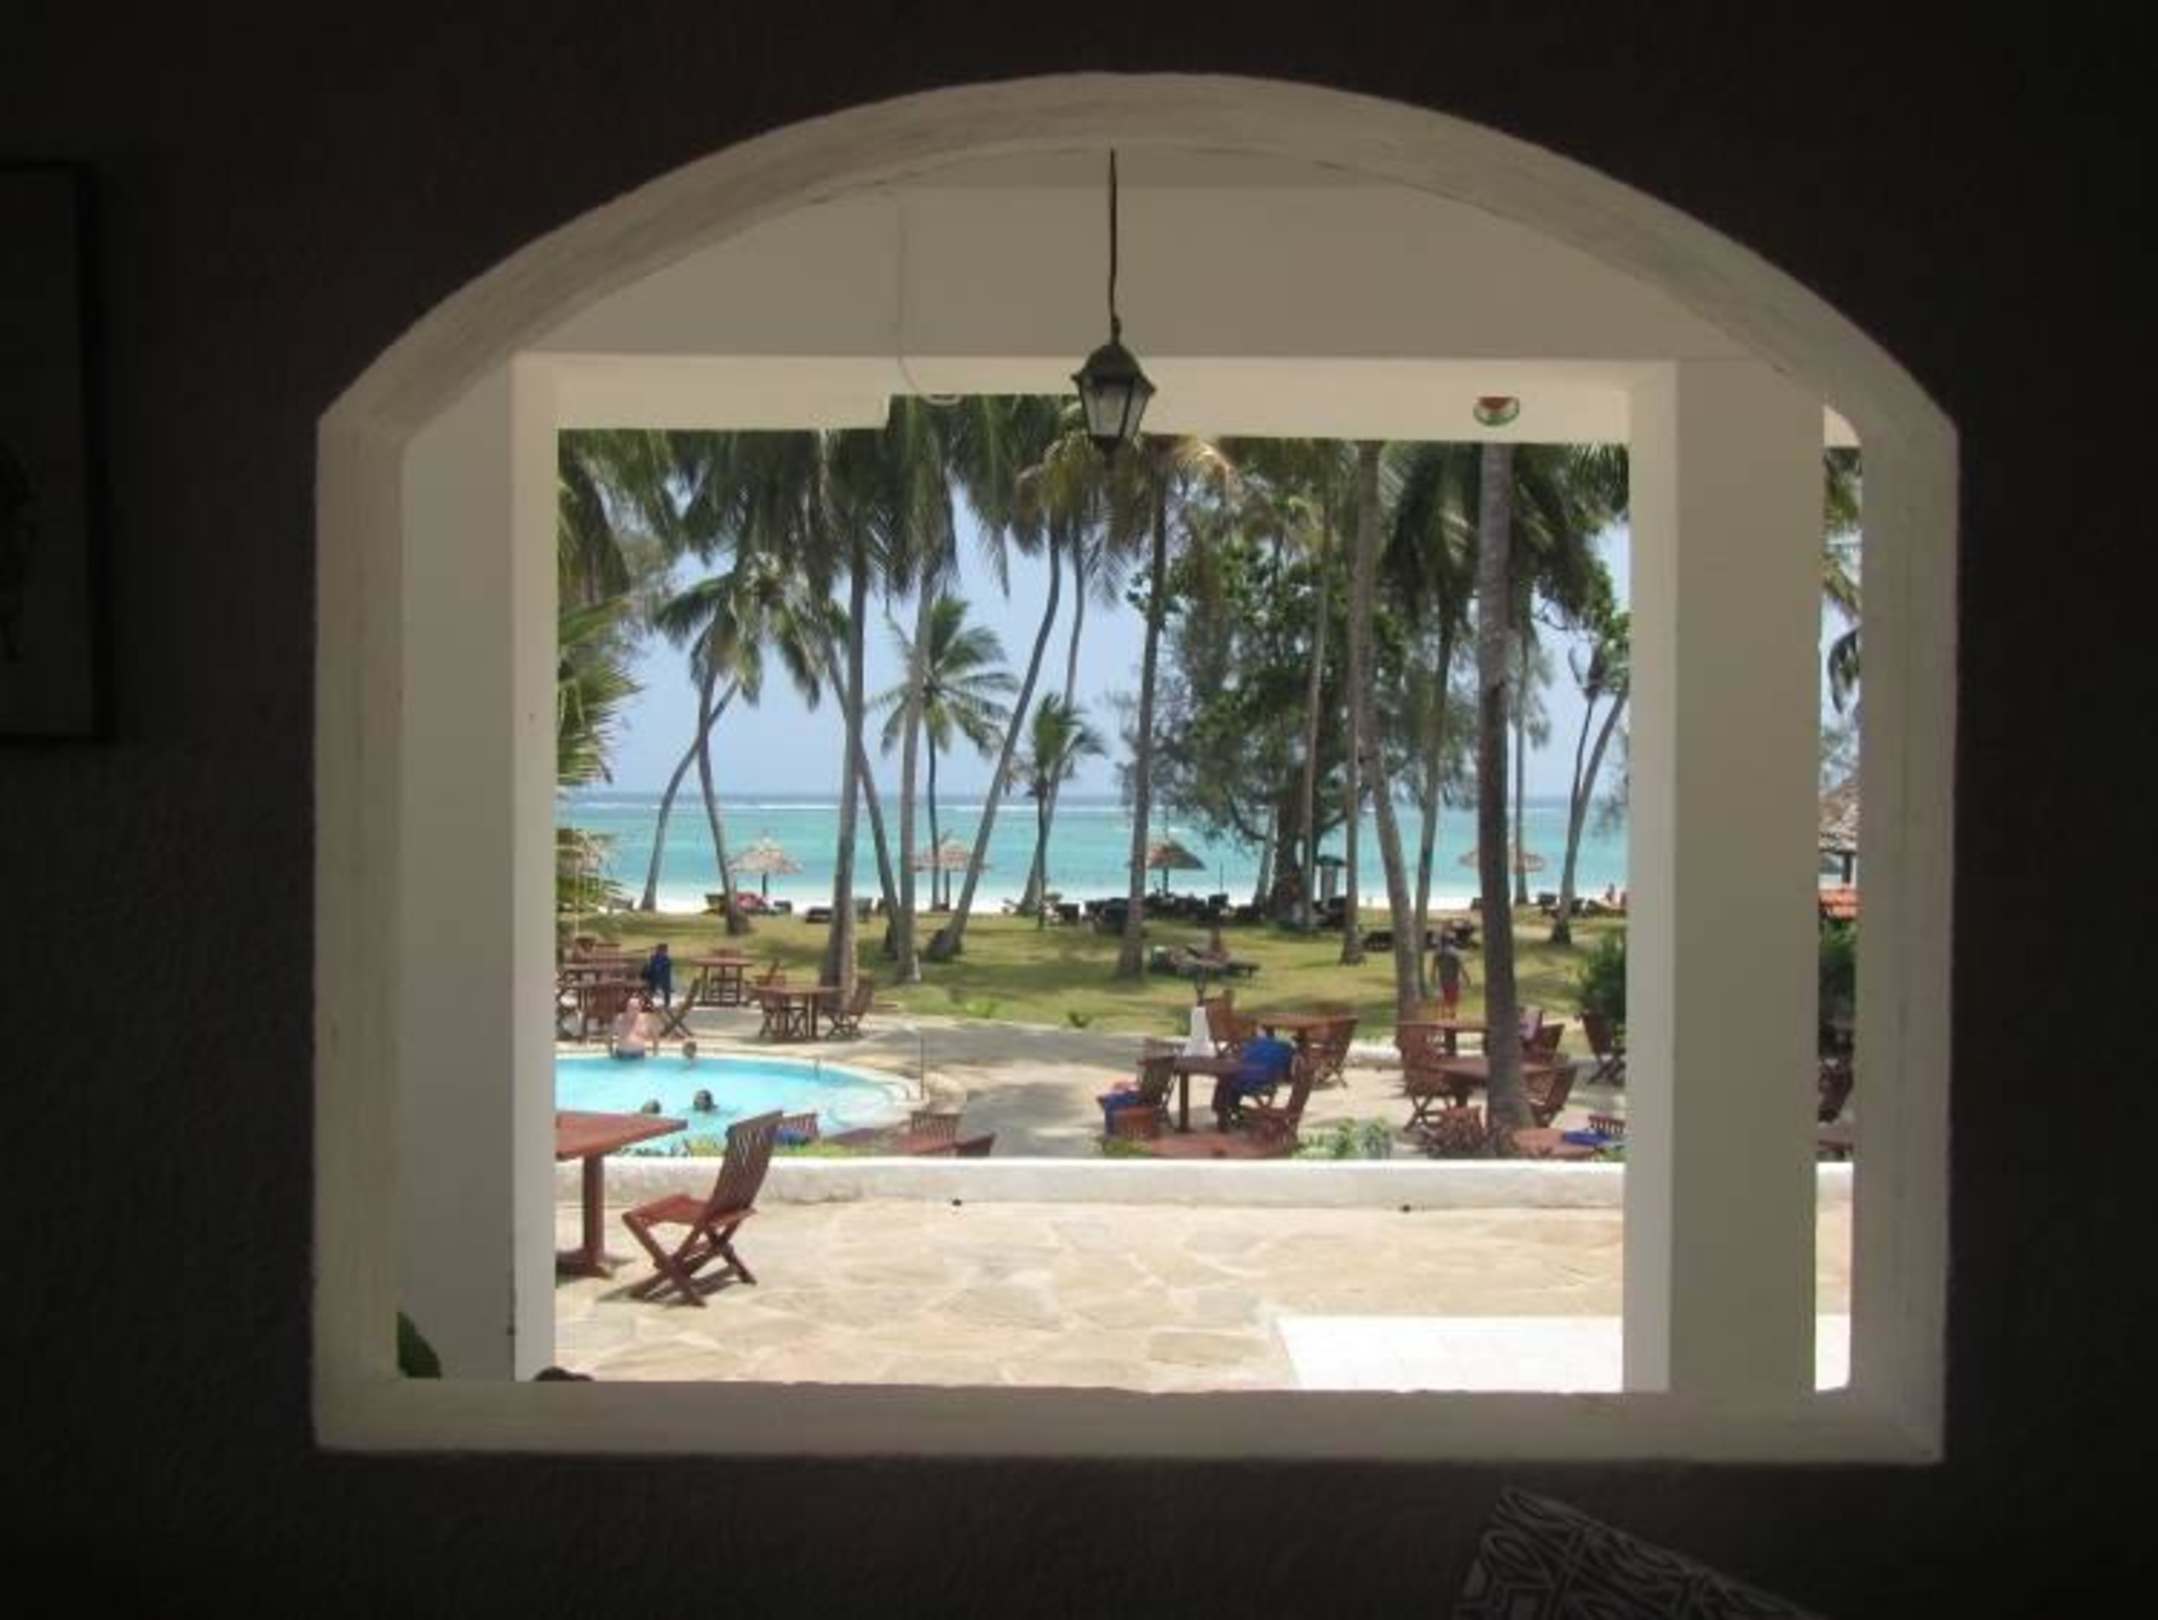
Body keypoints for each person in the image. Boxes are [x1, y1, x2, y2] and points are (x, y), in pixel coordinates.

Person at [1434, 936, 1472, 1017]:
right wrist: (1467, 977)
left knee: (1444, 998)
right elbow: (1461, 966)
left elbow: (1433, 968)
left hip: (1443, 980)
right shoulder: (1454, 954)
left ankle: (1444, 1013)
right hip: (1453, 980)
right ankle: (1452, 1013)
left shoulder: (1438, 954)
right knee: (1453, 999)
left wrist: (1432, 977)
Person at [641, 942, 674, 1008]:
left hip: (662, 979)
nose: (664, 952)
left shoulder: (666, 960)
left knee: (666, 989)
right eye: (663, 951)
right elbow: (652, 968)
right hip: (653, 978)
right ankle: (647, 1002)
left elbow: (663, 969)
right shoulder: (654, 958)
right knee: (652, 989)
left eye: (665, 951)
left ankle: (667, 1004)